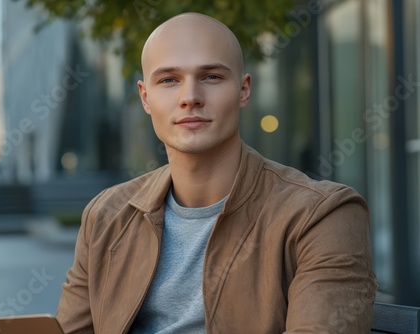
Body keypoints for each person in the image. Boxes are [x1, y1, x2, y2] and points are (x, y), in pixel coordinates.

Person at [56, 12, 377, 334]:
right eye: (169, 80)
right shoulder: (105, 216)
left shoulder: (322, 215)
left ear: (243, 89)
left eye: (211, 76)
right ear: (145, 97)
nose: (190, 98)